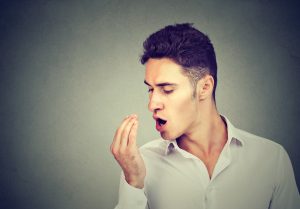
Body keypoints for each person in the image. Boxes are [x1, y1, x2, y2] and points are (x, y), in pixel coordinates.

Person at [110, 23, 299, 209]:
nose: (152, 104)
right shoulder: (140, 164)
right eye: (150, 89)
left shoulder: (272, 160)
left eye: (167, 90)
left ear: (205, 87)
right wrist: (134, 182)